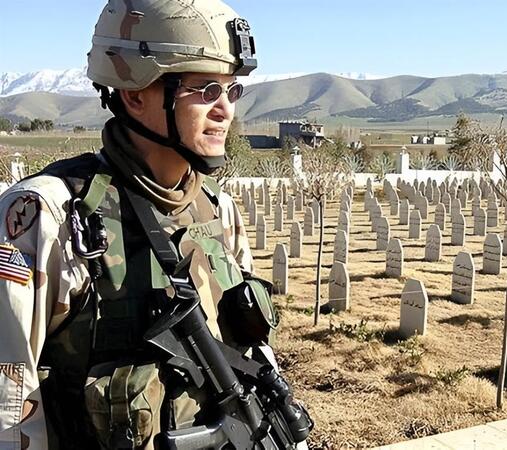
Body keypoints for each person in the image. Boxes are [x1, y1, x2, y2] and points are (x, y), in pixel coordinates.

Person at [0, 1, 310, 449]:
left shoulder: (217, 209)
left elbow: (251, 353)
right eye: (205, 90)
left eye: (231, 90)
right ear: (135, 94)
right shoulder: (48, 216)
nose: (226, 110)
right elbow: (9, 408)